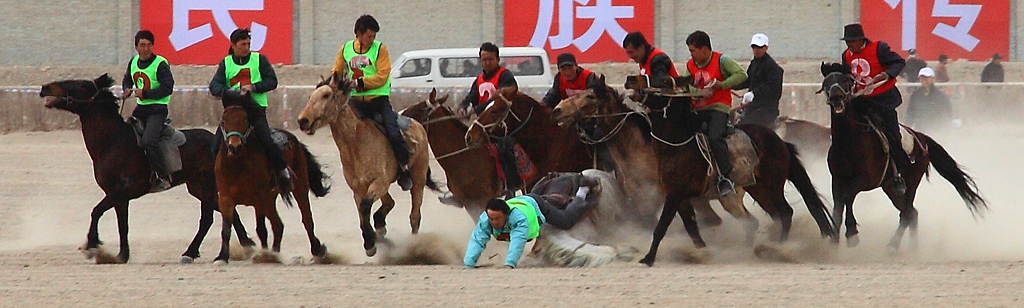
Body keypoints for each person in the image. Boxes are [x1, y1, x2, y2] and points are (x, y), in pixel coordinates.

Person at [331, 14, 413, 190]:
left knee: (393, 132)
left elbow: (382, 76)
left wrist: (360, 83)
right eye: (369, 36)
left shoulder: (380, 49)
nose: (372, 39)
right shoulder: (345, 49)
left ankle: (404, 168)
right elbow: (337, 71)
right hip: (355, 103)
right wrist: (333, 83)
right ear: (358, 34)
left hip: (378, 101)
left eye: (374, 36)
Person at [208, 28, 292, 194]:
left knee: (267, 142)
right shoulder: (226, 63)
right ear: (233, 45)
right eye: (242, 44)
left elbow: (272, 81)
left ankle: (283, 173)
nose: (246, 47)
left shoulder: (259, 59)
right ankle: (215, 181)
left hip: (254, 110)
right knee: (215, 145)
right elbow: (214, 86)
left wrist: (254, 87)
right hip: (233, 112)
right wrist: (228, 92)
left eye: (248, 44)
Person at [463, 179, 599, 269]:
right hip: (519, 201)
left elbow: (518, 242)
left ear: (506, 215)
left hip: (535, 204)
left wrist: (509, 264)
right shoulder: (486, 220)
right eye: (491, 218)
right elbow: (477, 240)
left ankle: (583, 191)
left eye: (497, 218)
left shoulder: (518, 219)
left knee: (566, 221)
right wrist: (469, 263)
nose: (493, 222)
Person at [840, 23, 910, 194]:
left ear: (860, 40)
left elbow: (899, 62)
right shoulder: (846, 56)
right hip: (860, 101)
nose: (849, 45)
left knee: (892, 134)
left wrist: (887, 74)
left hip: (883, 100)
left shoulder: (879, 48)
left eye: (851, 41)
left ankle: (900, 171)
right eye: (847, 42)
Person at [679, 30, 748, 197]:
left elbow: (742, 75)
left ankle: (726, 177)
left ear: (704, 49)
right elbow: (686, 85)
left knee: (715, 137)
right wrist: (698, 92)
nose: (692, 55)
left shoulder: (722, 61)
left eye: (693, 51)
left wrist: (721, 85)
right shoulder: (690, 65)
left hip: (718, 108)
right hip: (697, 109)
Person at [120, 30, 175, 192]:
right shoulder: (133, 62)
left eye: (149, 45)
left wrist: (146, 93)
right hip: (141, 109)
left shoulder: (160, 64)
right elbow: (127, 79)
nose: (146, 49)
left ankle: (163, 176)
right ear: (136, 47)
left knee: (149, 141)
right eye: (142, 45)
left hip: (157, 109)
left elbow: (167, 88)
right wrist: (126, 89)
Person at [733, 33, 784, 129]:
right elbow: (747, 80)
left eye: (759, 47)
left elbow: (773, 88)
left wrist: (754, 93)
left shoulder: (773, 68)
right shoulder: (754, 63)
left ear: (766, 48)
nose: (756, 50)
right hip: (752, 107)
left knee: (747, 126)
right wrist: (729, 84)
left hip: (766, 110)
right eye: (754, 47)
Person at [459, 42, 518, 115]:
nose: (487, 63)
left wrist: (477, 109)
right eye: (484, 60)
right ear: (480, 61)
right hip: (483, 121)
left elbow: (501, 100)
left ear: (498, 60)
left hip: (501, 119)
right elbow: (471, 97)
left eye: (490, 59)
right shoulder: (479, 80)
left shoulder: (505, 76)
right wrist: (463, 107)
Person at [906, 68, 954, 134]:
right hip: (920, 130)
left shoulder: (940, 95)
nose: (924, 80)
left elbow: (947, 112)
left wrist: (944, 129)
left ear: (932, 79)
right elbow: (910, 112)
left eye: (927, 78)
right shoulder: (915, 94)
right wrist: (907, 127)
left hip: (937, 130)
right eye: (922, 78)